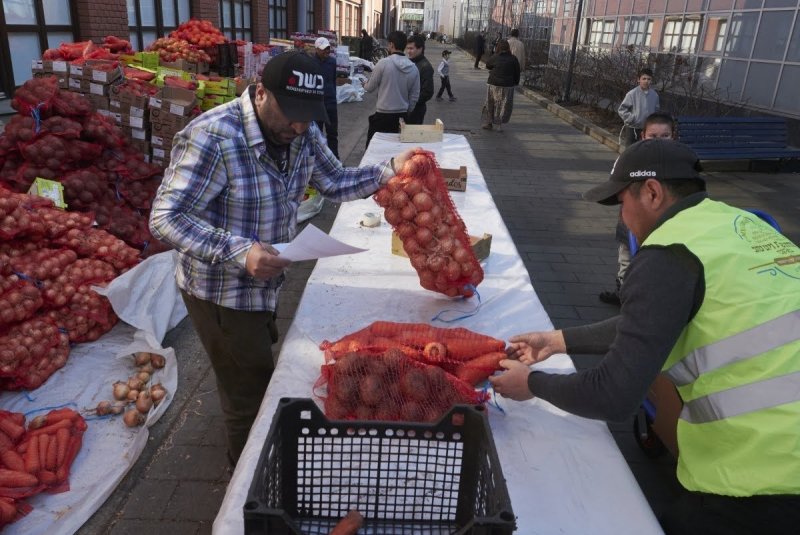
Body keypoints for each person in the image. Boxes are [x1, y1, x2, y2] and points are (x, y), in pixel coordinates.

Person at [490, 139, 800, 535]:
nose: (622, 217)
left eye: (621, 202)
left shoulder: (668, 254)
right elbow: (659, 320)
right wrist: (559, 340)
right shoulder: (741, 226)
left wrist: (532, 383)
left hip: (769, 476)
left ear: (652, 192)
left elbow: (613, 395)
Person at [149, 51, 414, 465]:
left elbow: (334, 181)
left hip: (267, 281)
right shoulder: (213, 137)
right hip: (222, 292)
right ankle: (250, 479)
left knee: (255, 366)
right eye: (291, 115)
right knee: (249, 396)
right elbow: (166, 218)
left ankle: (257, 446)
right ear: (260, 93)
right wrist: (240, 251)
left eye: (308, 117)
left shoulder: (302, 131)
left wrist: (388, 170)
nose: (299, 127)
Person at [600, 112, 676, 305]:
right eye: (653, 136)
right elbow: (616, 183)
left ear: (673, 136)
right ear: (643, 136)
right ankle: (623, 291)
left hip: (665, 221)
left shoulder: (679, 160)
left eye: (665, 136)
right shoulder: (631, 157)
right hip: (632, 219)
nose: (658, 141)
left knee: (657, 258)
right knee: (626, 254)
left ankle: (651, 296)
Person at [363, 30, 420, 148]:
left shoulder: (383, 63)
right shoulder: (413, 68)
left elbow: (370, 88)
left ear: (392, 45)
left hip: (383, 116)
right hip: (402, 117)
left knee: (374, 150)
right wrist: (406, 111)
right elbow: (414, 96)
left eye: (388, 44)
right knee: (396, 150)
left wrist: (363, 83)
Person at [481, 39, 520, 132]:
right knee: (504, 105)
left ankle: (489, 123)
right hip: (507, 85)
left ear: (498, 47)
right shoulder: (513, 59)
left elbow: (488, 65)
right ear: (508, 48)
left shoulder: (495, 57)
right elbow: (517, 72)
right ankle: (499, 125)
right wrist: (515, 82)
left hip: (493, 84)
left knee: (490, 103)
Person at [311, 37, 339, 159]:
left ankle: (335, 158)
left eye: (328, 48)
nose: (327, 51)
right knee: (317, 134)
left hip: (330, 102)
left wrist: (333, 95)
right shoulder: (311, 63)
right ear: (316, 49)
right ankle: (318, 160)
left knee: (332, 133)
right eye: (324, 49)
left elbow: (333, 80)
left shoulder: (332, 62)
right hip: (317, 104)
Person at [618, 67, 659, 148]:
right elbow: (622, 110)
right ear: (638, 80)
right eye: (644, 78)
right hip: (633, 128)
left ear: (651, 80)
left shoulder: (654, 95)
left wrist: (653, 122)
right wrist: (632, 119)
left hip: (646, 128)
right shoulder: (632, 94)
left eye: (649, 79)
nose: (646, 81)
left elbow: (656, 110)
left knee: (643, 149)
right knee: (630, 149)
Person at [405, 34, 434, 125]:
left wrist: (412, 102)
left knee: (411, 133)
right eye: (407, 48)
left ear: (420, 49)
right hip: (405, 108)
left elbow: (427, 92)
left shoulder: (425, 67)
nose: (408, 51)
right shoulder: (410, 62)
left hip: (415, 111)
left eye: (411, 48)